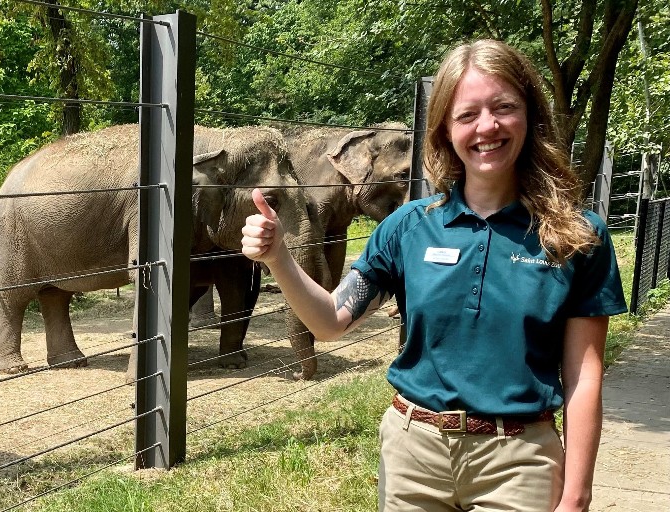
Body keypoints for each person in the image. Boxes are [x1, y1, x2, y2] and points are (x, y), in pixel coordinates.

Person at [241, 39, 626, 512]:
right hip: (413, 454)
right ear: (444, 129)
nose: (487, 126)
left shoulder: (577, 236)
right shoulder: (407, 228)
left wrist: (577, 494)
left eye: (504, 107)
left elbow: (584, 374)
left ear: (530, 116)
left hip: (520, 460)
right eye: (467, 115)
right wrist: (279, 256)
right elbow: (330, 321)